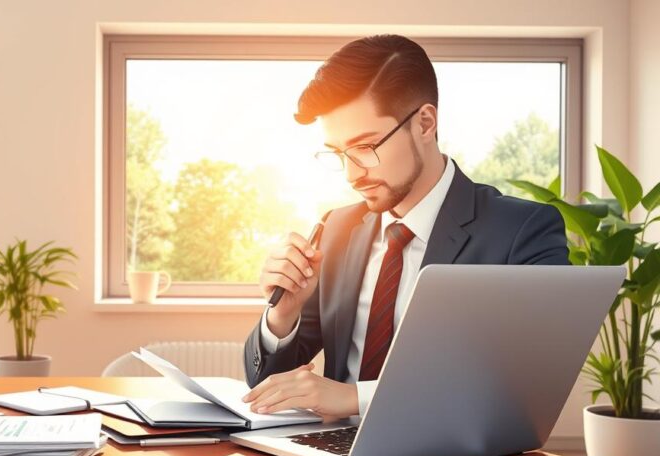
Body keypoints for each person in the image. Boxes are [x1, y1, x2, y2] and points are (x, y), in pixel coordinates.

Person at [241, 34, 569, 421]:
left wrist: (355, 399)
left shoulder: (521, 231)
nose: (352, 174)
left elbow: (528, 379)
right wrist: (284, 314)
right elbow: (267, 387)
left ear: (425, 123)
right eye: (338, 153)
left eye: (365, 147)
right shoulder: (337, 229)